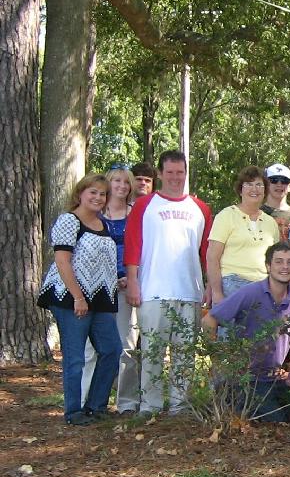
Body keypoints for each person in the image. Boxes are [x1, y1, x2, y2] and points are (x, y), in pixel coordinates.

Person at [125, 150, 211, 416]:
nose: (175, 177)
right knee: (152, 352)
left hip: (189, 291)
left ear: (186, 173)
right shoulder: (145, 206)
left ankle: (179, 405)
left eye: (180, 172)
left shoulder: (200, 208)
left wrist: (209, 283)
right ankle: (149, 405)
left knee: (184, 354)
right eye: (170, 172)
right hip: (153, 290)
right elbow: (133, 245)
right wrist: (133, 281)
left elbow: (206, 251)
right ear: (160, 174)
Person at [38, 174, 122, 425]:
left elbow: (101, 262)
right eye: (93, 192)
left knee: (111, 350)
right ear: (80, 194)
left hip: (100, 299)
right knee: (75, 357)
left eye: (103, 194)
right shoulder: (69, 220)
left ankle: (96, 406)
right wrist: (78, 297)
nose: (98, 198)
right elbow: (63, 261)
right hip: (70, 298)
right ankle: (73, 412)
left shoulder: (103, 225)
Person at [202, 242, 290, 426]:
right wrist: (219, 361)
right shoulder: (251, 292)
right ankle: (229, 397)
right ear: (268, 266)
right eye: (279, 262)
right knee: (277, 422)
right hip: (247, 378)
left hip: (275, 379)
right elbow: (209, 320)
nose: (285, 267)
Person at [81, 165, 139, 414]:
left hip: (127, 287)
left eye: (126, 182)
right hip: (98, 288)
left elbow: (140, 249)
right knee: (92, 348)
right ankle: (86, 400)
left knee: (127, 346)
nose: (121, 186)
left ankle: (127, 402)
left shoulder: (136, 214)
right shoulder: (95, 213)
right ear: (109, 183)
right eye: (116, 181)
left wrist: (130, 277)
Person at [207, 166, 282, 304]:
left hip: (264, 287)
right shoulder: (226, 215)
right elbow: (212, 257)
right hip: (232, 284)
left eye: (259, 185)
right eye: (248, 184)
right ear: (240, 190)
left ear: (265, 190)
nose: (254, 189)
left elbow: (276, 260)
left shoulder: (271, 222)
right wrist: (216, 292)